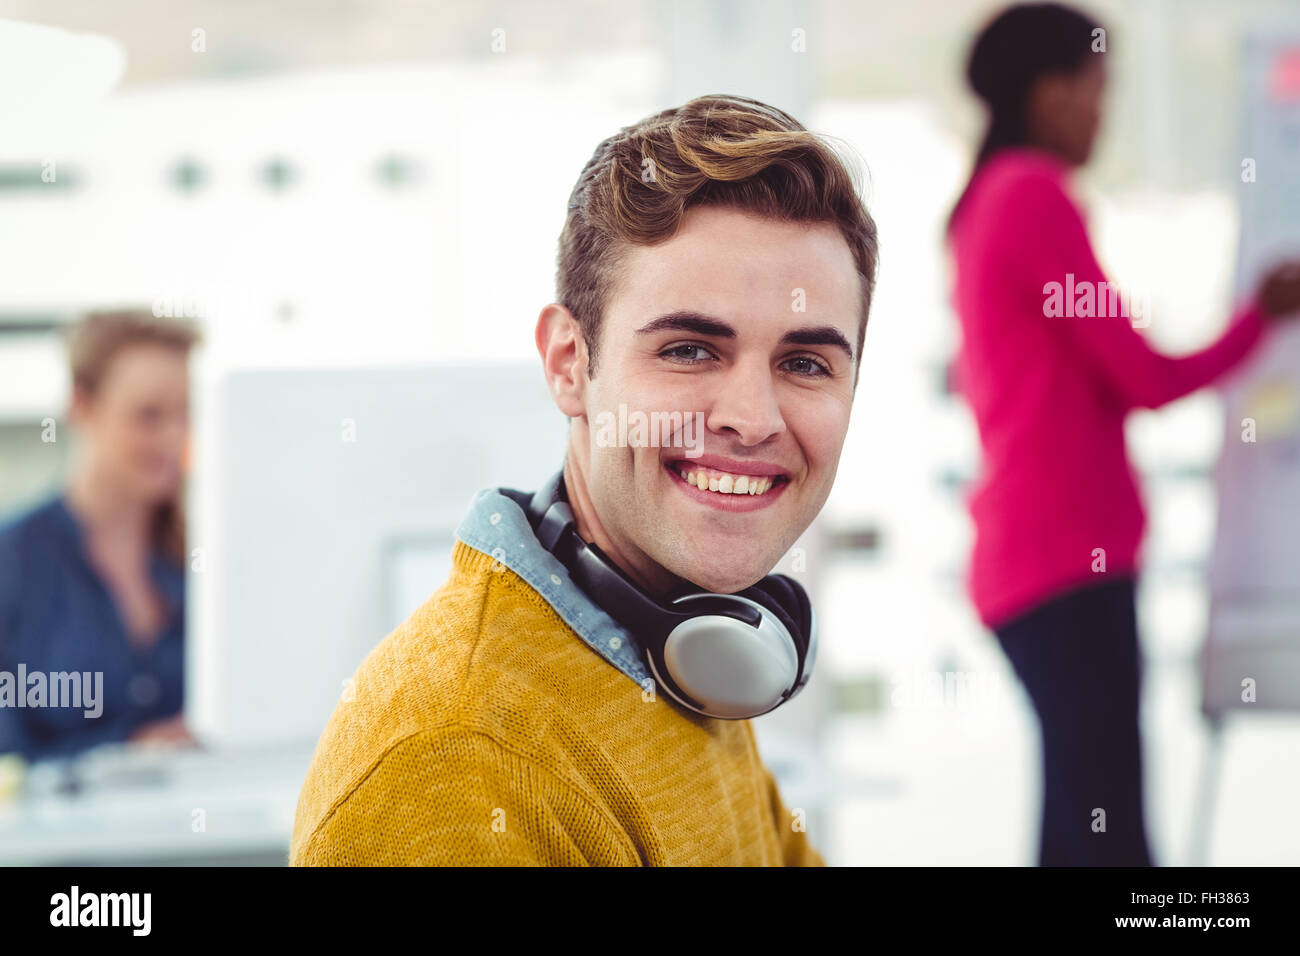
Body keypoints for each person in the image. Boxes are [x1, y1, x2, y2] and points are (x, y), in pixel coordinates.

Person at [290, 94, 879, 866]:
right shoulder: (459, 759)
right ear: (570, 364)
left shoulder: (687, 647)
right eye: (690, 350)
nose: (752, 418)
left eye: (805, 363)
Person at [946, 2, 1300, 866]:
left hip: (1043, 563)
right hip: (1064, 563)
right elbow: (1142, 378)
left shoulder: (991, 201)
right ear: (1047, 91)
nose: (1103, 113)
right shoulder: (1032, 196)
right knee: (1107, 834)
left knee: (1083, 821)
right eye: (1096, 90)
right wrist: (1262, 318)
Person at [0, 310, 200, 761]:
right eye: (149, 416)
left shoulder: (202, 561)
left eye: (187, 413)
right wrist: (126, 754)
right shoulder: (13, 563)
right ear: (82, 408)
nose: (175, 437)